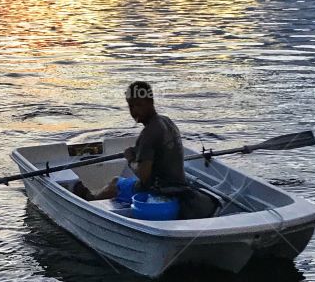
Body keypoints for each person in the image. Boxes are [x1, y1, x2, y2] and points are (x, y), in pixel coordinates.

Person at [75, 81, 218, 218]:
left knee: (115, 183)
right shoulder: (167, 121)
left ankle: (90, 198)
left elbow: (144, 176)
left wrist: (130, 158)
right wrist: (140, 152)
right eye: (131, 106)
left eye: (139, 105)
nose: (134, 111)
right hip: (179, 184)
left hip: (159, 190)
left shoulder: (148, 133)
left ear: (151, 102)